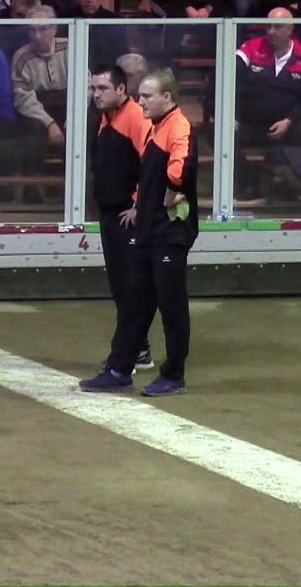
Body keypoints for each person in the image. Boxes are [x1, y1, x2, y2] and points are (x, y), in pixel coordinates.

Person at [81, 70, 198, 397]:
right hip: (151, 231)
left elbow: (180, 168)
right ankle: (120, 367)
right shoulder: (159, 127)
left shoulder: (177, 127)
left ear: (168, 98)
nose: (141, 100)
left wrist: (172, 190)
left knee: (171, 306)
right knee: (135, 302)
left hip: (168, 233)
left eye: (147, 96)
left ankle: (173, 375)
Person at [88, 63, 157, 374]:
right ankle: (138, 347)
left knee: (130, 287)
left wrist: (138, 204)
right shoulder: (107, 118)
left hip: (127, 216)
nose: (96, 94)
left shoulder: (135, 118)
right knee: (120, 285)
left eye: (102, 88)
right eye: (93, 89)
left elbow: (153, 162)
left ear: (121, 89)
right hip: (110, 213)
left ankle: (132, 351)